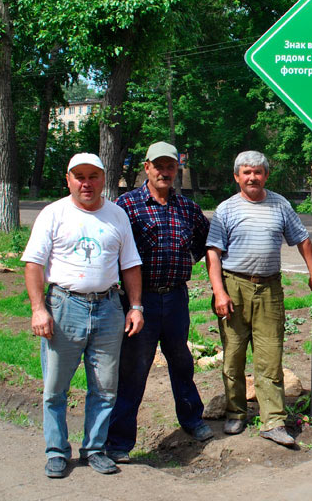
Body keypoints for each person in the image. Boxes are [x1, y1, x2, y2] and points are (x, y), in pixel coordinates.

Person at [22, 153, 144, 478]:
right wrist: (38, 309)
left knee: (105, 387)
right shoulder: (54, 214)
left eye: (93, 176)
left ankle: (94, 449)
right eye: (79, 177)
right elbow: (34, 263)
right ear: (69, 179)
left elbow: (130, 264)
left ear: (104, 179)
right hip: (64, 307)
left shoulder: (116, 216)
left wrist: (135, 307)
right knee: (55, 387)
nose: (86, 183)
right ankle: (57, 452)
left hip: (108, 308)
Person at [105, 142, 212, 464]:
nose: (165, 172)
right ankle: (120, 441)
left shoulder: (188, 209)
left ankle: (192, 420)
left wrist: (184, 261)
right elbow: (114, 249)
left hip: (176, 298)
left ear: (176, 169)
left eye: (171, 166)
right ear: (147, 167)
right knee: (134, 370)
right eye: (159, 166)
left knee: (181, 362)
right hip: (140, 301)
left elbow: (205, 243)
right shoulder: (126, 206)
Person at [206, 151, 312, 447]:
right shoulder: (226, 209)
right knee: (233, 356)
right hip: (234, 288)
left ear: (266, 175)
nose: (252, 177)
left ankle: (273, 421)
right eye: (246, 172)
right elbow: (214, 254)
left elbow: (303, 240)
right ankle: (236, 411)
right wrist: (219, 291)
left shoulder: (280, 204)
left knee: (270, 357)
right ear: (237, 177)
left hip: (269, 289)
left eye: (257, 172)